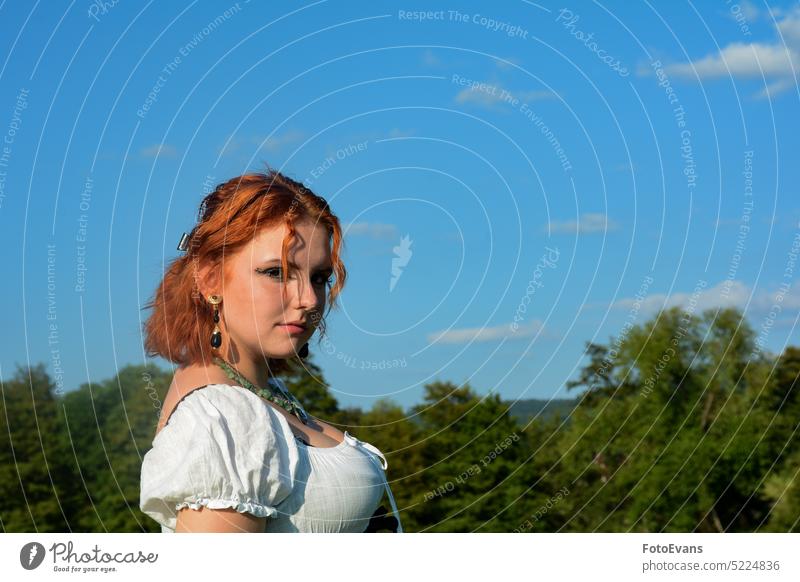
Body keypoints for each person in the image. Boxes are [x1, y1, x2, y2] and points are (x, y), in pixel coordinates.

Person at [138, 168, 402, 533]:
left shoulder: (259, 395)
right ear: (210, 278)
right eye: (276, 273)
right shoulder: (222, 418)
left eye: (319, 277)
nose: (309, 299)